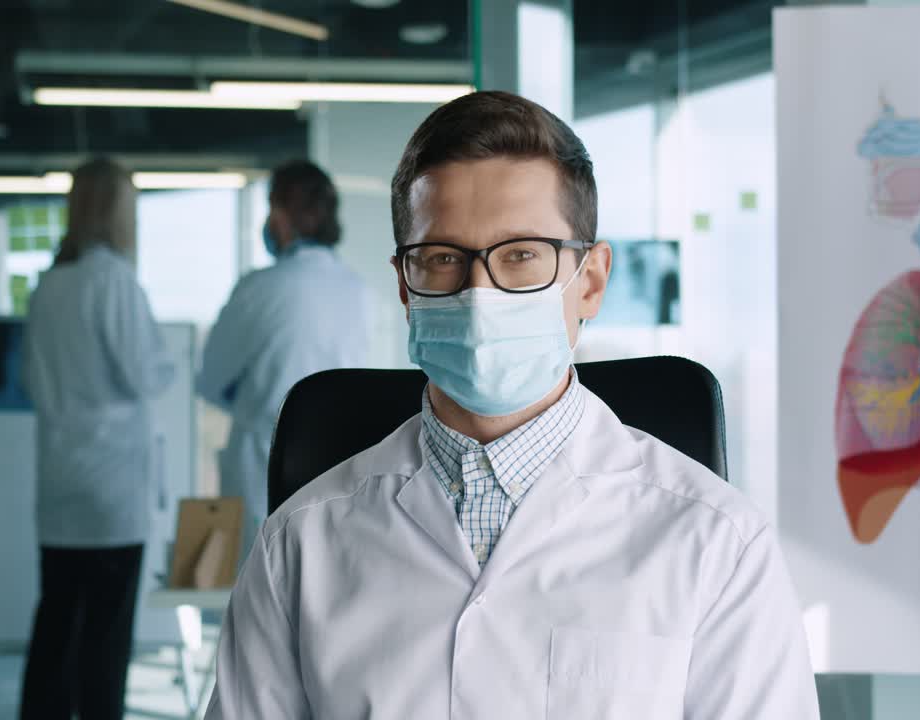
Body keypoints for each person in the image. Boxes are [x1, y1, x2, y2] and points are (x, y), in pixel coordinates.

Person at [206, 92, 819, 719]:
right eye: (442, 259)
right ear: (403, 284)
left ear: (591, 280)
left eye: (521, 255)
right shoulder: (299, 544)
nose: (479, 293)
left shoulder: (718, 542)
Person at [19, 157, 175, 720]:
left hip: (60, 481)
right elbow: (144, 373)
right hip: (110, 492)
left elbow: (33, 381)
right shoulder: (113, 281)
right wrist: (170, 363)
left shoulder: (48, 285)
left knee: (56, 625)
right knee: (104, 642)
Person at [196, 160, 368, 562]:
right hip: (336, 460)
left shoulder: (261, 287)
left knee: (260, 587)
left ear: (282, 214)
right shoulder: (357, 290)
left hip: (262, 457)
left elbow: (211, 380)